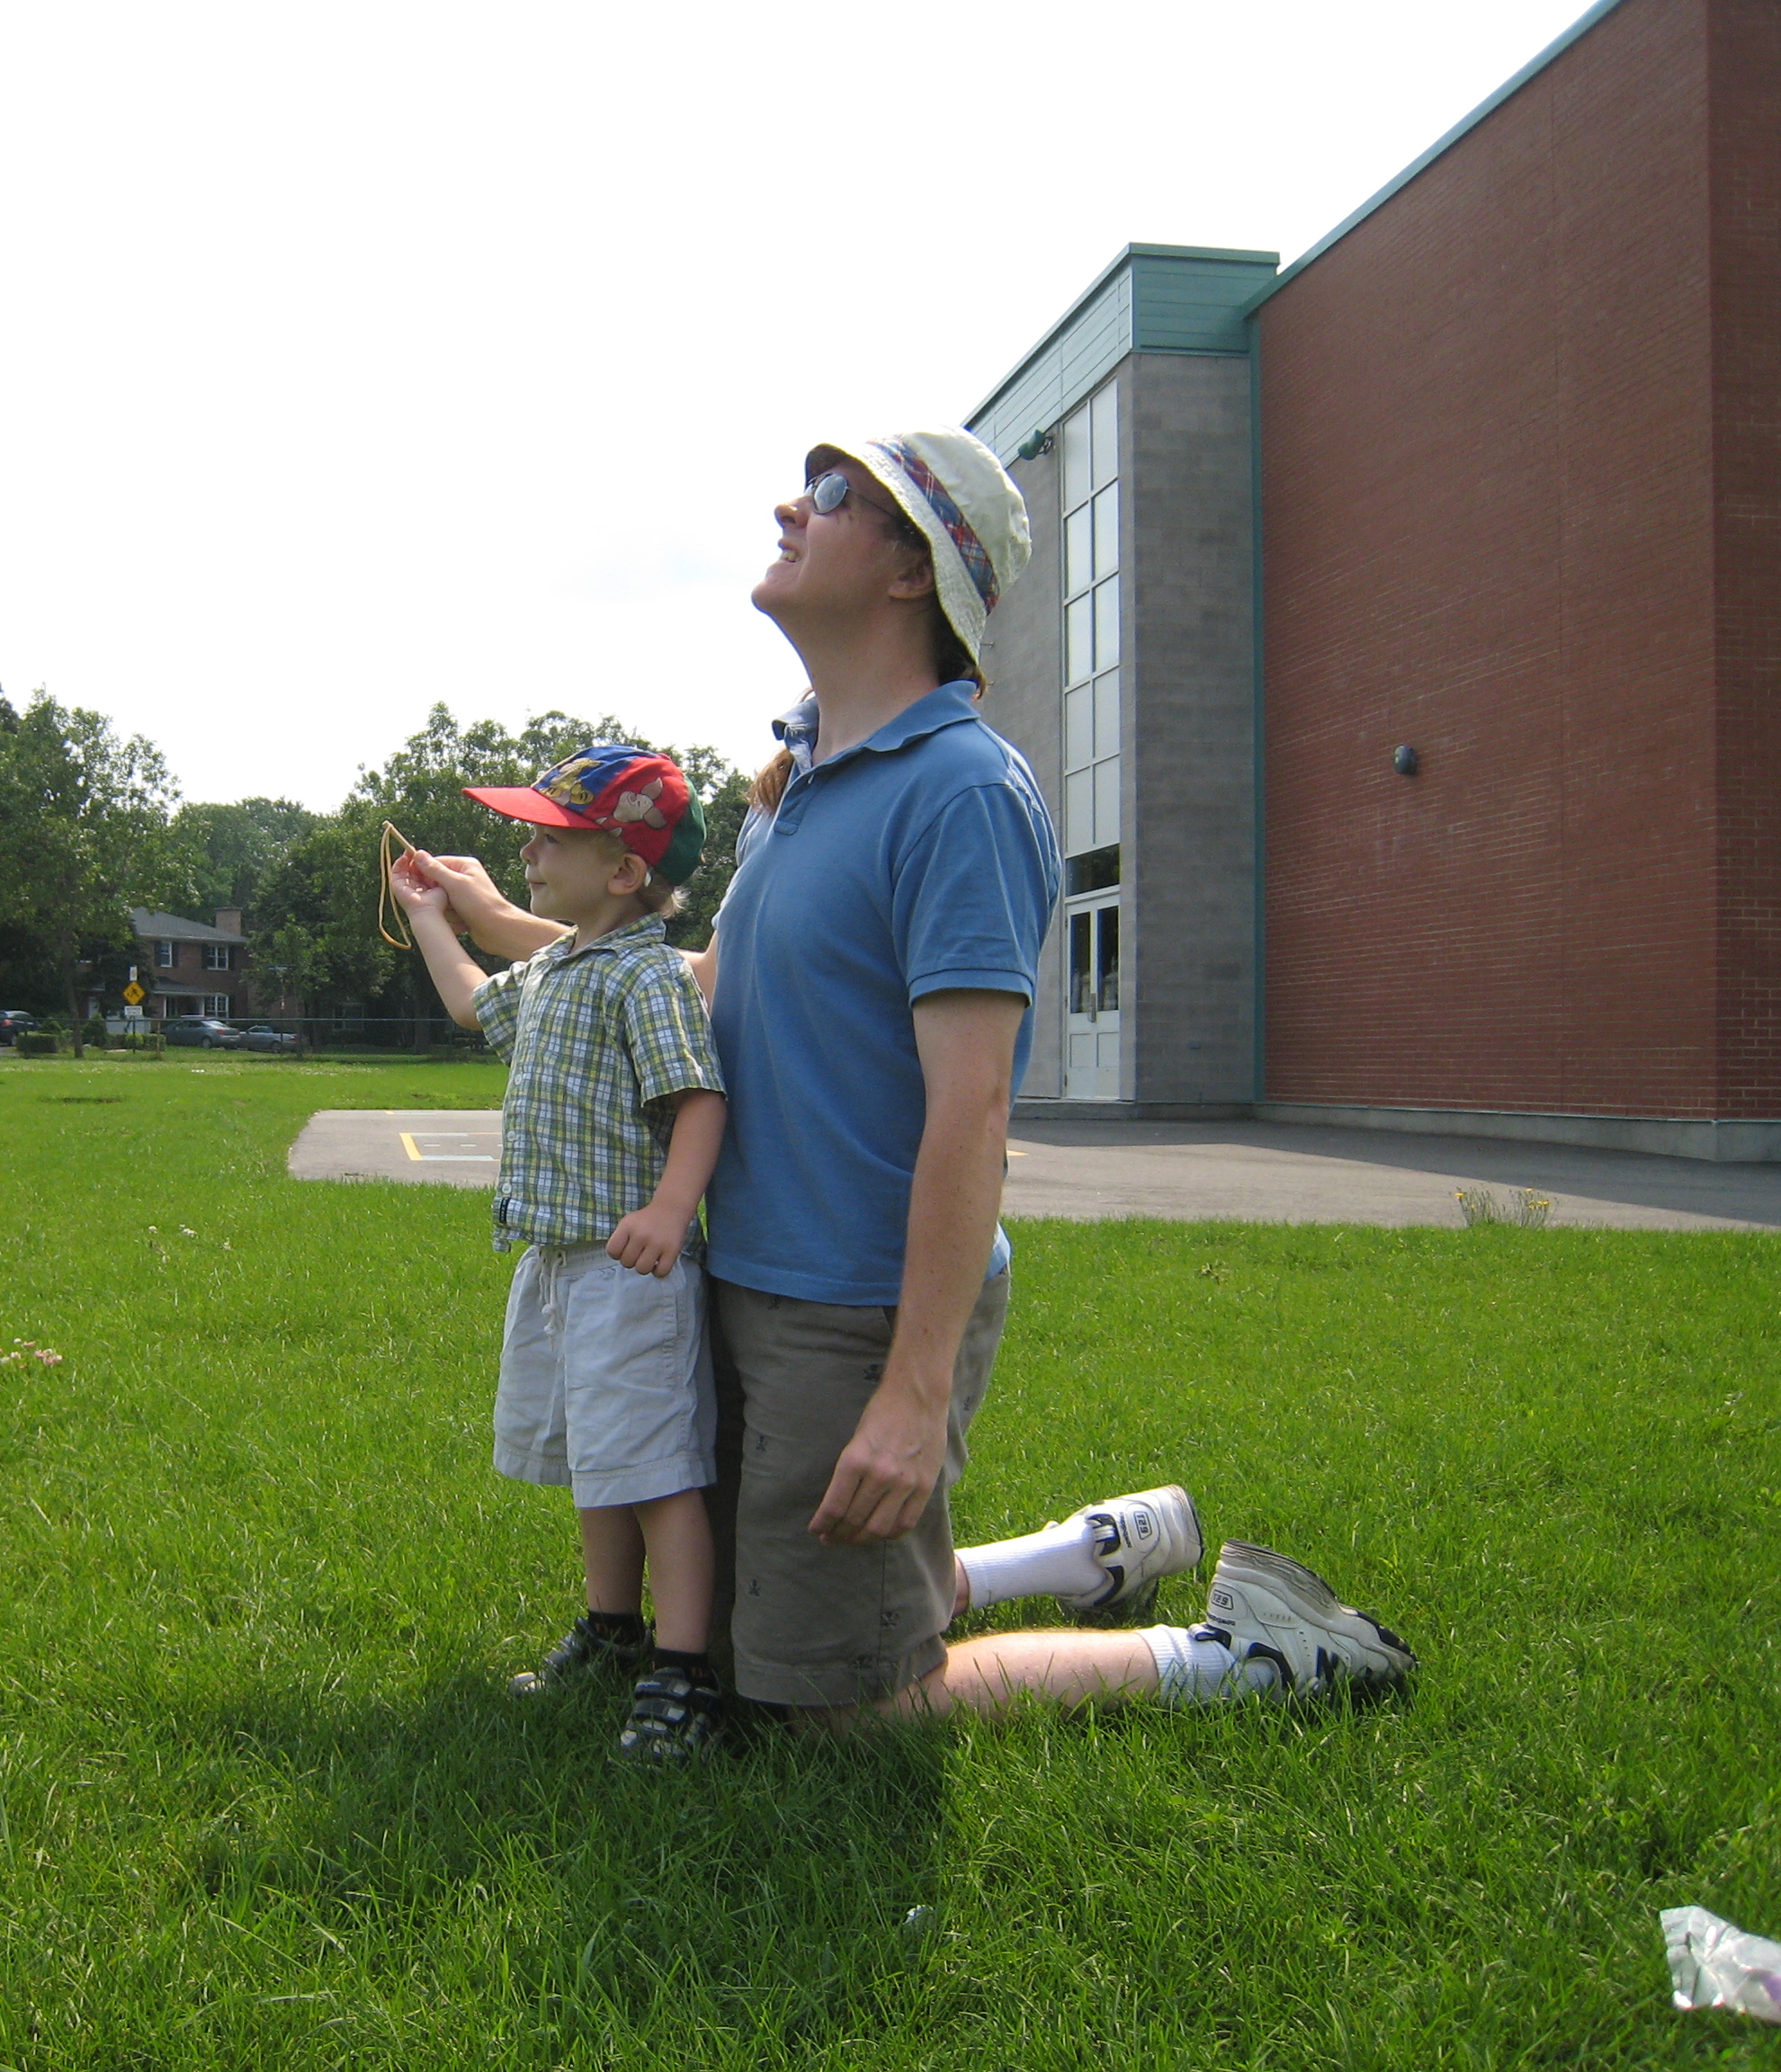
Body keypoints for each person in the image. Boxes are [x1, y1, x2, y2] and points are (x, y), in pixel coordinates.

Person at [406, 426, 1414, 1726]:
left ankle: (1241, 1656)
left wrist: (914, 1391)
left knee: (836, 1713)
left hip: (858, 1306)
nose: (791, 508)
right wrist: (491, 919)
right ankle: (1084, 1555)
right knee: (730, 1631)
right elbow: (705, 982)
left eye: (833, 496)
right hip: (750, 1280)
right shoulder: (800, 783)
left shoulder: (961, 794)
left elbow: (973, 1110)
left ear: (909, 573)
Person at [392, 744, 735, 1761]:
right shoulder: (554, 967)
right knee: (598, 1457)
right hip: (556, 1262)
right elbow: (470, 1002)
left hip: (629, 1272)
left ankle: (683, 1670)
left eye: (551, 838)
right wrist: (428, 915)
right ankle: (613, 1628)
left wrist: (671, 1210)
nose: (528, 853)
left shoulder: (646, 978)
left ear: (624, 871)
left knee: (656, 1469)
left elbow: (699, 1100)